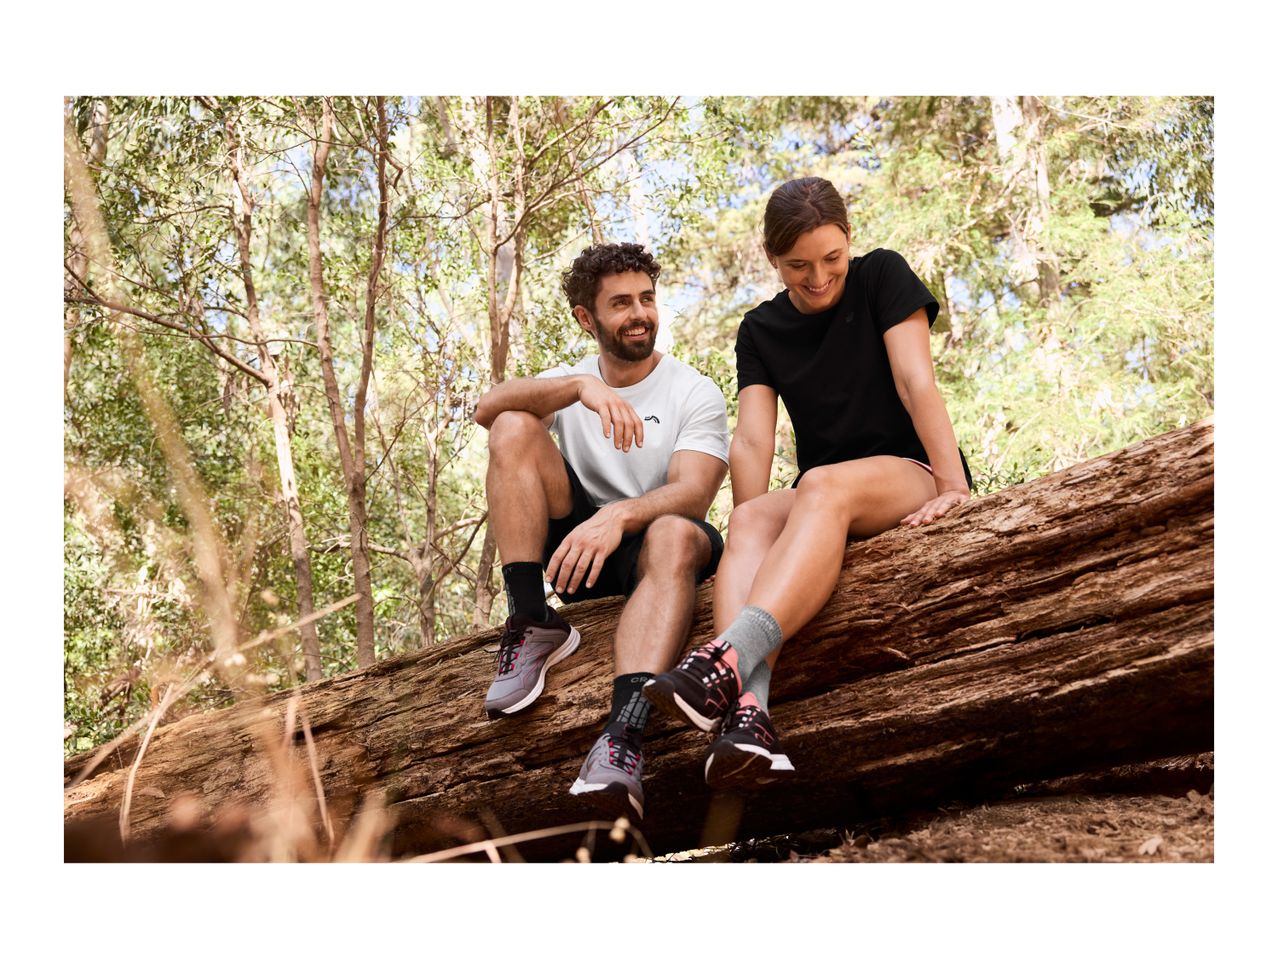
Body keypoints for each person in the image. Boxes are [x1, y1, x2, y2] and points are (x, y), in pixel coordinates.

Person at [644, 176, 972, 790]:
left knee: (820, 483)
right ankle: (748, 717)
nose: (818, 277)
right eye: (798, 266)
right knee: (747, 518)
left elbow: (915, 382)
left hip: (910, 474)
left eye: (832, 259)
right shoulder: (761, 330)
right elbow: (751, 439)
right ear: (773, 259)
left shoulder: (882, 277)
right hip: (825, 495)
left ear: (849, 242)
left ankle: (725, 659)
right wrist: (754, 533)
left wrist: (952, 485)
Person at [475, 242, 729, 821]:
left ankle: (623, 742)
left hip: (654, 549)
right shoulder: (575, 384)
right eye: (621, 303)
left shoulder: (693, 391)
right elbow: (489, 408)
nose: (640, 313)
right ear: (587, 318)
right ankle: (531, 621)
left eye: (646, 298)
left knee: (674, 530)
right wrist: (579, 389)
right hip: (580, 557)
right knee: (515, 426)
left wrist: (616, 516)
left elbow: (695, 493)